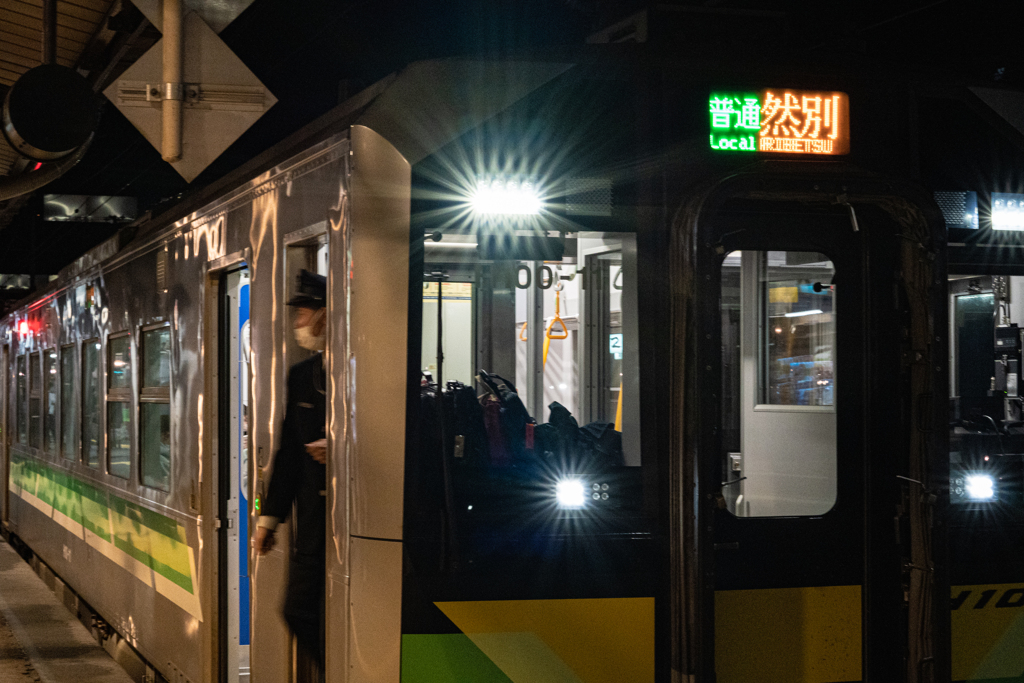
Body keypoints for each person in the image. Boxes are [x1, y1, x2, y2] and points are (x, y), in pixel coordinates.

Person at [254, 269, 328, 676]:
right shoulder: (301, 375)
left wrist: (343, 449)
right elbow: (288, 456)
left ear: (324, 315)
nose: (298, 323)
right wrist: (270, 519)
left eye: (303, 313)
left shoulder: (365, 372)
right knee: (298, 610)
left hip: (358, 524)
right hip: (313, 529)